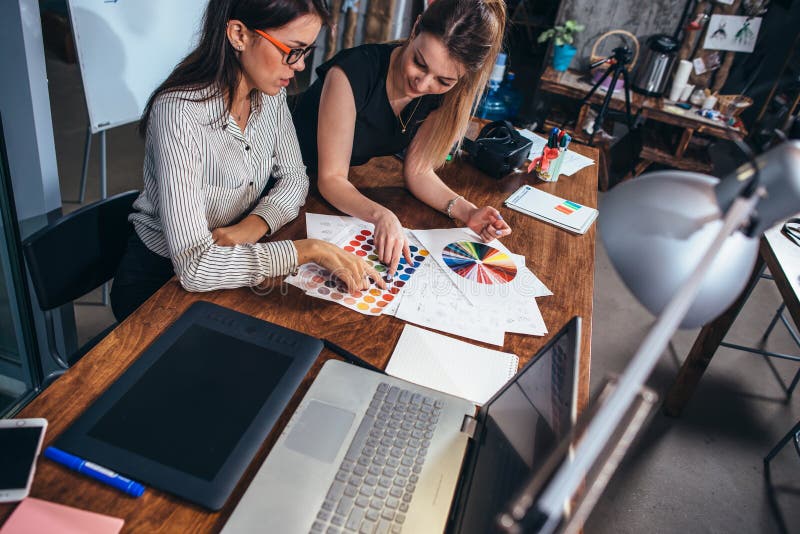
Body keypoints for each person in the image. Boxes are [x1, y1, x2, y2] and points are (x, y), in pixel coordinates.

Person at [111, 0, 383, 322]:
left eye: (306, 52)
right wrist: (308, 250)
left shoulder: (270, 94)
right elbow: (196, 267)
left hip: (234, 257)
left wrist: (253, 225)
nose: (298, 66)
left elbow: (295, 178)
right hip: (159, 285)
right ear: (239, 34)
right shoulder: (179, 114)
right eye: (292, 50)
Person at [292, 0, 512, 277]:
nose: (422, 84)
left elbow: (419, 171)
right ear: (415, 27)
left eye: (443, 81)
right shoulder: (354, 72)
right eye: (419, 63)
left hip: (312, 193)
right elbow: (332, 179)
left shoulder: (443, 97)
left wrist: (469, 213)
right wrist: (381, 215)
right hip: (273, 167)